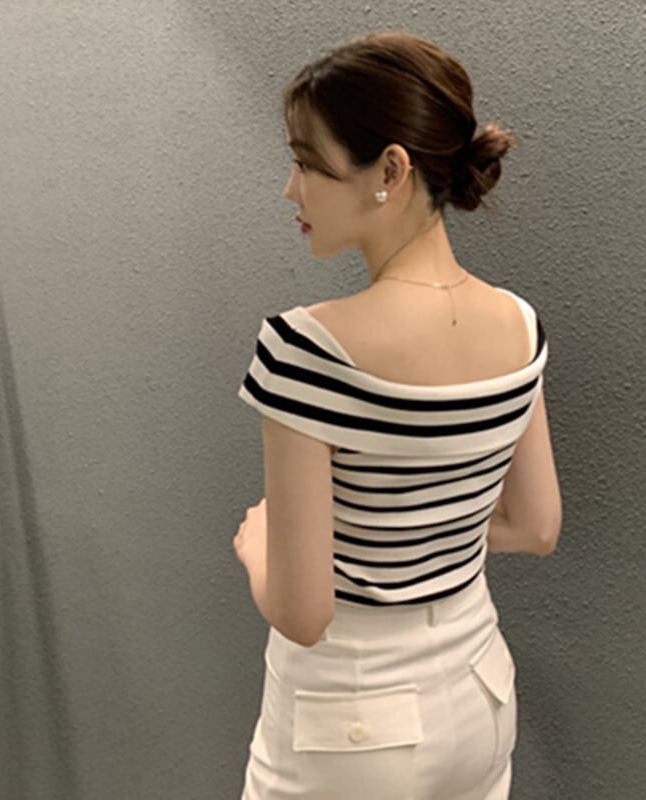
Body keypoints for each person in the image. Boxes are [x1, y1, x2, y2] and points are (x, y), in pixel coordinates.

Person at [232, 31, 562, 800]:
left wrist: (259, 547)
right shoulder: (520, 325)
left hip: (350, 720)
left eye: (308, 163)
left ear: (389, 170)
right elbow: (537, 526)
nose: (291, 190)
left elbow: (304, 613)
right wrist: (420, 537)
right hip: (479, 692)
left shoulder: (304, 349)